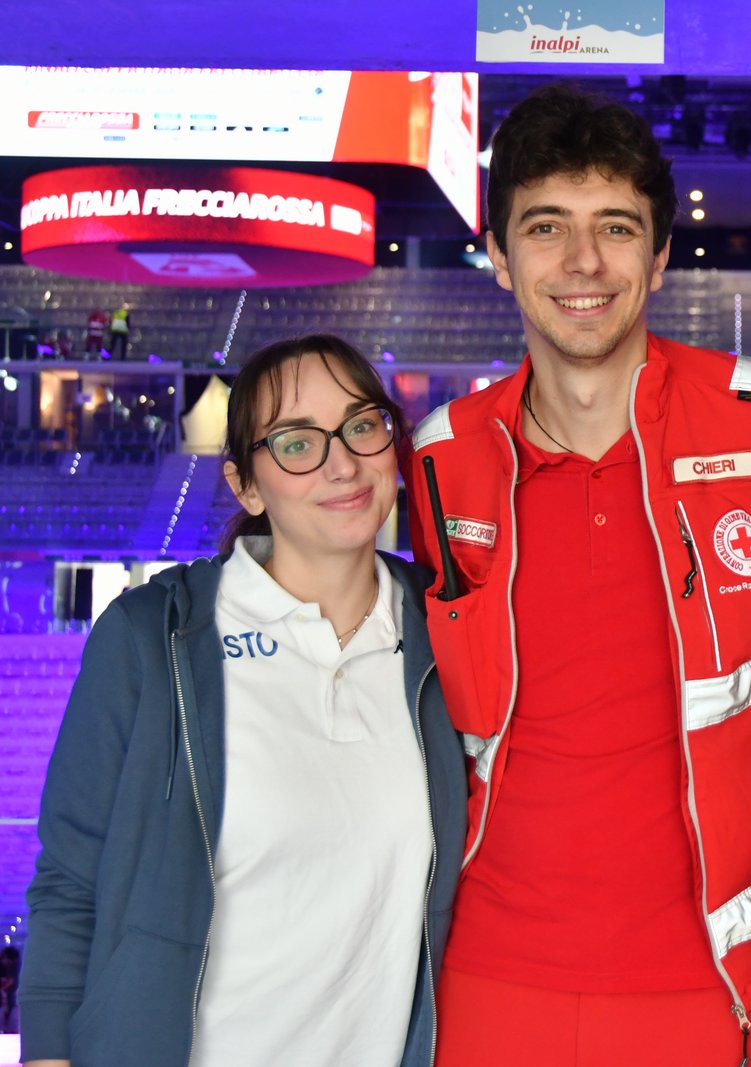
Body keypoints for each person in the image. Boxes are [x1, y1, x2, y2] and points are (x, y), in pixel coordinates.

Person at [406, 83, 751, 1067]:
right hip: (489, 981)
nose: (583, 262)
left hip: (708, 983)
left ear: (660, 255)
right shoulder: (443, 457)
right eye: (546, 227)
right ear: (499, 256)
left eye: (616, 228)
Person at [20, 334, 467, 1067]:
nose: (342, 463)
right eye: (297, 443)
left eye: (362, 425)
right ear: (246, 485)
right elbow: (71, 882)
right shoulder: (152, 636)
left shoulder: (446, 631)